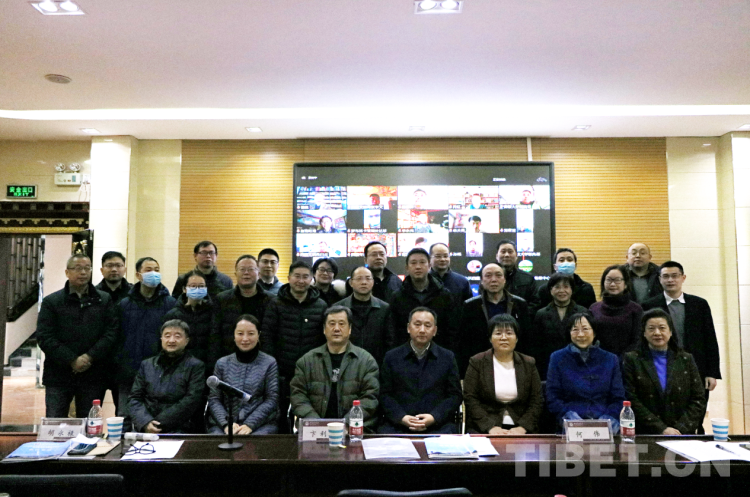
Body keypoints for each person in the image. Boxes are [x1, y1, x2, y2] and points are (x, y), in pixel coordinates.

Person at [36, 254, 119, 417]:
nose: (83, 272)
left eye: (87, 268)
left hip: (93, 373)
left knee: (90, 423)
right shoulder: (52, 301)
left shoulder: (103, 299)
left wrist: (89, 356)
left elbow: (111, 333)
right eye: (78, 268)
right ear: (67, 272)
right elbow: (45, 337)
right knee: (55, 422)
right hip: (58, 374)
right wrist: (72, 359)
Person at [642, 261, 721, 431]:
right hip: (663, 366)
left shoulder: (699, 304)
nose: (670, 280)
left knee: (695, 413)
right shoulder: (649, 305)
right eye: (665, 276)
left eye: (674, 276)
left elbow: (710, 338)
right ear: (660, 279)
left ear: (683, 278)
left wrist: (712, 372)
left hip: (697, 367)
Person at [290, 306, 380, 431]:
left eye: (342, 324)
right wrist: (316, 424)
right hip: (314, 430)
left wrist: (346, 424)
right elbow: (298, 396)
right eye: (332, 324)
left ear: (350, 329)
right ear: (324, 329)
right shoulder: (306, 361)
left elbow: (369, 399)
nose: (336, 328)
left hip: (353, 429)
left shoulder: (366, 361)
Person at [261, 261, 328, 429]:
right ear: (289, 278)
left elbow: (324, 339)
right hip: (281, 370)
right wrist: (273, 366)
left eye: (305, 277)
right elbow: (267, 336)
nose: (301, 280)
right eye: (297, 276)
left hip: (312, 371)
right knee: (280, 415)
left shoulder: (321, 305)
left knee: (309, 414)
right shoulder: (275, 304)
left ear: (312, 279)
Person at [622, 309, 706, 435]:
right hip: (646, 433)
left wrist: (679, 429)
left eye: (662, 328)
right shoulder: (632, 360)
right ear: (644, 333)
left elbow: (698, 399)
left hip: (683, 434)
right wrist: (661, 429)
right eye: (651, 328)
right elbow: (631, 398)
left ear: (670, 331)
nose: (657, 333)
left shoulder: (685, 359)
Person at [379, 307, 462, 434]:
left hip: (438, 426)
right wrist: (402, 417)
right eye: (417, 324)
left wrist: (434, 417)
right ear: (408, 328)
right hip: (398, 425)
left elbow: (455, 396)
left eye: (427, 325)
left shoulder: (447, 357)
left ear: (435, 330)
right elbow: (384, 395)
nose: (422, 330)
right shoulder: (392, 357)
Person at [115, 256, 177, 426]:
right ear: (138, 275)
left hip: (160, 371)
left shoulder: (170, 304)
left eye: (157, 270)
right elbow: (117, 337)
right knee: (125, 417)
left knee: (156, 419)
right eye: (148, 270)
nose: (154, 273)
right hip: (129, 371)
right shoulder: (124, 304)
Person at [463, 314, 543, 434]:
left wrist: (522, 427)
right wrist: (490, 427)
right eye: (498, 333)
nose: (504, 337)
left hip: (522, 427)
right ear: (490, 338)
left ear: (516, 338)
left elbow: (537, 400)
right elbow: (470, 398)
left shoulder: (528, 363)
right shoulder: (477, 362)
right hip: (483, 428)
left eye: (509, 333)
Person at [546, 312, 626, 432]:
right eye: (575, 330)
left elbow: (618, 397)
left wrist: (609, 418)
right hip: (570, 424)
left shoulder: (610, 359)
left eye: (585, 329)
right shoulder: (557, 358)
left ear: (594, 332)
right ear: (569, 333)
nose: (581, 334)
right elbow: (552, 397)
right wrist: (567, 416)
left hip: (605, 424)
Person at [128, 319, 205, 434]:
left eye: (177, 336)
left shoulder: (195, 366)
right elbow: (134, 398)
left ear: (186, 341)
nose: (171, 340)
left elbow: (191, 400)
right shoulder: (147, 365)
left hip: (180, 428)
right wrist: (145, 422)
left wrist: (158, 423)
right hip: (146, 427)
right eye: (167, 336)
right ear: (161, 339)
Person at [208, 314, 279, 435]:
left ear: (258, 335)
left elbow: (271, 399)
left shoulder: (269, 362)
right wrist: (226, 423)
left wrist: (250, 424)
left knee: (255, 442)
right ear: (234, 336)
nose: (245, 339)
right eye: (240, 334)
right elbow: (214, 399)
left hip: (260, 425)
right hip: (224, 424)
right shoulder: (222, 363)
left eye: (251, 333)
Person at [460, 263, 530, 376]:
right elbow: (464, 342)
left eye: (498, 275)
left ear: (504, 280)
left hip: (513, 364)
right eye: (488, 276)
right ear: (481, 281)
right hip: (480, 365)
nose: (493, 280)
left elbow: (527, 339)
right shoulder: (470, 306)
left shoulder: (519, 304)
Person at [389, 248, 460, 353]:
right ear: (407, 268)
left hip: (439, 353)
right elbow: (393, 331)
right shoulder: (397, 296)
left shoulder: (444, 295)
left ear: (429, 266)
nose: (418, 266)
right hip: (405, 353)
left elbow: (451, 330)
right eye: (413, 263)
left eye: (422, 262)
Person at [530, 272, 588, 380]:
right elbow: (536, 345)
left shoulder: (582, 312)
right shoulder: (541, 314)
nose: (562, 290)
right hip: (549, 366)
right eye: (557, 287)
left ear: (572, 289)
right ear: (551, 290)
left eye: (566, 287)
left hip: (577, 365)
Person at [334, 266, 396, 365]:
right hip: (346, 363)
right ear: (351, 283)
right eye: (359, 279)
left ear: (373, 282)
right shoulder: (338, 308)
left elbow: (390, 340)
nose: (364, 282)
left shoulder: (384, 308)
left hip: (376, 363)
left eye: (368, 278)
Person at [95, 250, 132, 413]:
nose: (114, 269)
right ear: (102, 269)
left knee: (124, 414)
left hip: (125, 363)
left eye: (118, 265)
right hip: (98, 362)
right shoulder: (93, 294)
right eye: (109, 265)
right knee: (91, 412)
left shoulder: (134, 294)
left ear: (125, 268)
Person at [215, 255, 273, 358]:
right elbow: (215, 334)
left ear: (259, 274)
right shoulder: (222, 299)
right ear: (235, 274)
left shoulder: (271, 300)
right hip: (229, 357)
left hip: (262, 359)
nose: (246, 273)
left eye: (251, 269)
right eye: (242, 269)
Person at [163, 271, 218, 380]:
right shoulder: (173, 314)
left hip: (208, 370)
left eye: (201, 286)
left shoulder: (214, 313)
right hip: (179, 370)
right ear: (184, 289)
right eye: (193, 286)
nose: (197, 289)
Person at [588, 264, 643, 357]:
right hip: (599, 358)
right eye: (609, 280)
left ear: (626, 284)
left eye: (617, 280)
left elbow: (638, 340)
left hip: (627, 360)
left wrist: (624, 358)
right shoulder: (594, 308)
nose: (612, 284)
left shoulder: (636, 309)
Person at [495, 240, 539, 312]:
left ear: (516, 256)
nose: (507, 255)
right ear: (497, 256)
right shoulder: (489, 278)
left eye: (510, 252)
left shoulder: (528, 279)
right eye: (503, 252)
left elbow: (535, 303)